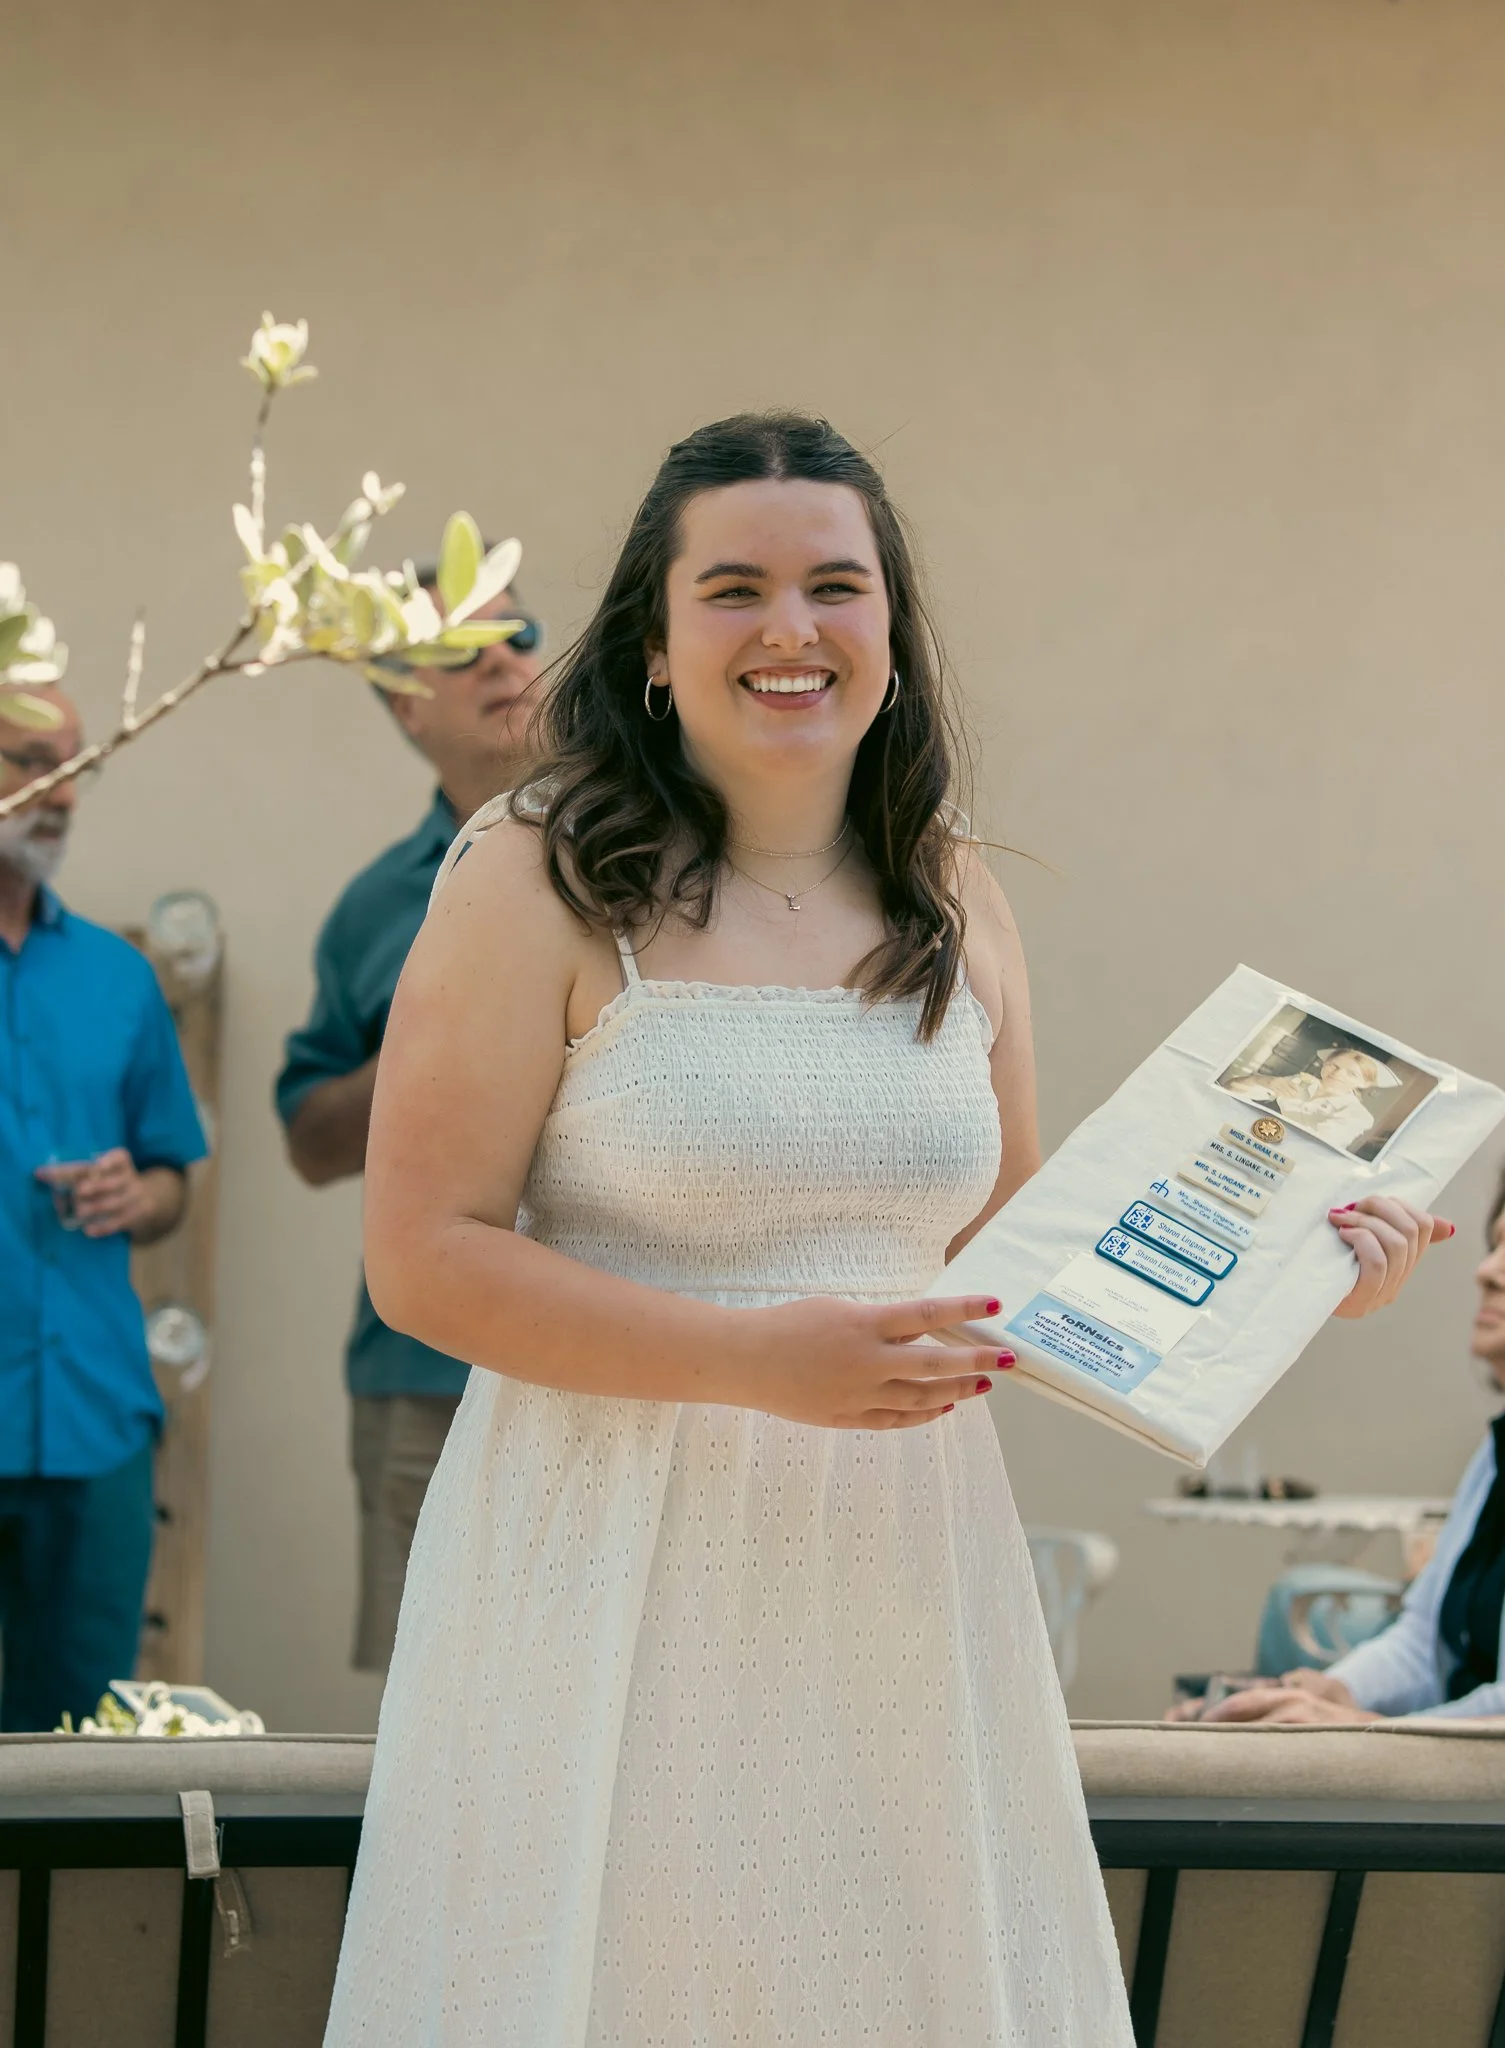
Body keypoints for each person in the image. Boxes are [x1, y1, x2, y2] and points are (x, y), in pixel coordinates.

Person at [323, 414, 1445, 2044]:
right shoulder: (530, 874)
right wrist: (748, 1359)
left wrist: (1298, 1272)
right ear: (653, 642)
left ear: (895, 638)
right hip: (612, 1562)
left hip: (903, 1573)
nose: (792, 628)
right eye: (736, 587)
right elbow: (421, 1255)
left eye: (838, 586)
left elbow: (1026, 1262)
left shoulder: (954, 887)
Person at [274, 575, 542, 1673]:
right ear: (402, 706)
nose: (501, 659)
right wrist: (423, 1055)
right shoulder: (375, 907)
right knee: (428, 1703)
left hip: (640, 1367)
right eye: (459, 644)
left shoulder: (656, 855)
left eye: (516, 632)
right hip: (421, 1370)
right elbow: (309, 1137)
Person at [0, 688, 206, 1732]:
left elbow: (175, 1174)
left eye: (78, 766)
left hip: (95, 1426)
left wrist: (141, 1192)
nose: (64, 794)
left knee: (73, 1760)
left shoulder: (120, 979)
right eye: (32, 761)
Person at [1195, 1167, 1505, 1728]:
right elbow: (1422, 1643)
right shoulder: (1495, 1456)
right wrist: (1332, 1691)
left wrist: (1363, 1733)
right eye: (1495, 1246)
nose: (1486, 1271)